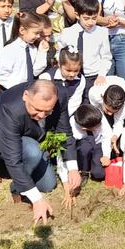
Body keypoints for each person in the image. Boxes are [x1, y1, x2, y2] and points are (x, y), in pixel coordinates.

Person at [0, 80, 58, 223]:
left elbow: (65, 130)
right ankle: (2, 171)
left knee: (48, 185)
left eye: (47, 111)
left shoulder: (56, 96)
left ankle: (21, 174)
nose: (41, 115)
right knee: (33, 151)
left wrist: (71, 170)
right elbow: (13, 158)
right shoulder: (10, 109)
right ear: (26, 96)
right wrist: (37, 199)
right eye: (37, 109)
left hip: (25, 135)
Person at [41, 48, 87, 195]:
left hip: (66, 116)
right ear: (59, 64)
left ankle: (71, 168)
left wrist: (63, 121)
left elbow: (73, 103)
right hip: (45, 117)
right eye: (68, 70)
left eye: (76, 70)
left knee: (72, 136)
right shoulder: (47, 78)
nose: (72, 74)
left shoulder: (81, 80)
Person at [58, 0, 111, 100]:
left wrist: (101, 75)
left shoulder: (102, 32)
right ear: (77, 15)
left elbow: (106, 57)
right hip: (72, 77)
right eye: (86, 18)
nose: (90, 22)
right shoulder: (67, 33)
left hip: (93, 78)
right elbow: (59, 54)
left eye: (94, 18)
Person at [0, 12, 52, 90]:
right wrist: (18, 89)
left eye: (39, 33)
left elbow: (35, 71)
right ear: (22, 30)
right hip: (13, 93)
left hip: (29, 91)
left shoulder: (32, 49)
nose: (38, 36)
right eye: (36, 33)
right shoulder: (10, 50)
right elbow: (2, 76)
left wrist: (42, 52)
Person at [88, 78, 125, 156]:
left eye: (114, 112)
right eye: (107, 109)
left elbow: (119, 121)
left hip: (122, 83)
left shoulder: (123, 104)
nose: (110, 114)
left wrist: (115, 136)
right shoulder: (94, 94)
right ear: (102, 98)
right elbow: (100, 118)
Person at [71, 104, 112, 182]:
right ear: (85, 128)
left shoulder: (97, 116)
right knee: (84, 147)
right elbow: (70, 147)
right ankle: (84, 171)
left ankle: (93, 165)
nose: (100, 125)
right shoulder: (73, 126)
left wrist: (106, 155)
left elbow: (107, 136)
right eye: (97, 125)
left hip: (98, 144)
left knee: (99, 175)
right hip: (83, 146)